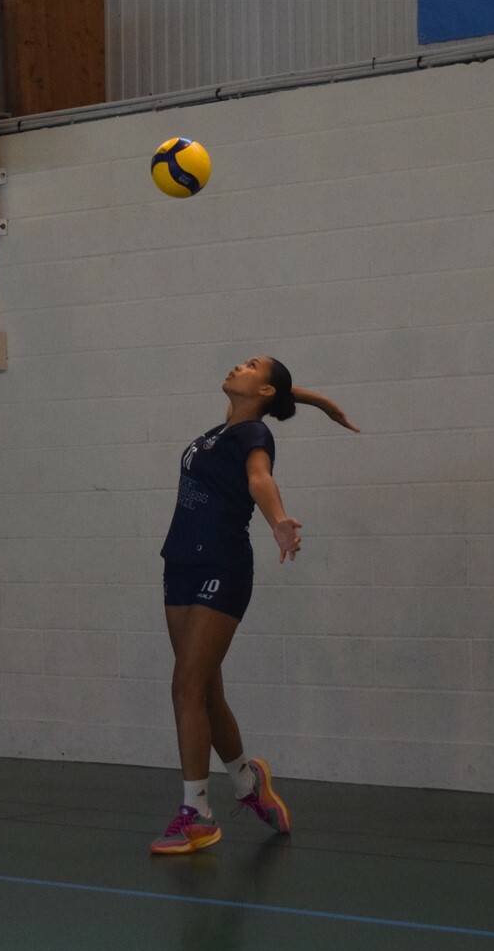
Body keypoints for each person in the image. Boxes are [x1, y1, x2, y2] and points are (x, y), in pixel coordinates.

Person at [151, 355, 360, 854]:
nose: (237, 366)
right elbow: (269, 399)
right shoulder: (222, 430)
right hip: (180, 564)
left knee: (185, 687)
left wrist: (279, 520)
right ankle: (248, 783)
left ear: (264, 391)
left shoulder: (254, 436)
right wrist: (315, 400)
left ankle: (197, 815)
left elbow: (259, 479)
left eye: (249, 365)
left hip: (221, 567)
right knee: (204, 692)